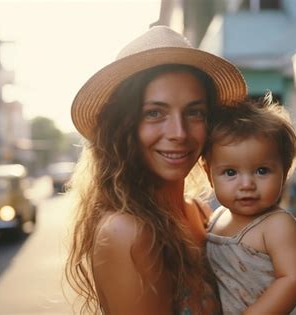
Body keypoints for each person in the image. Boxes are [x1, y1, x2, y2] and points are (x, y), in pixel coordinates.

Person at [65, 25, 247, 314]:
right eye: (155, 113)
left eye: (194, 112)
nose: (179, 132)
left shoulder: (200, 212)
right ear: (124, 126)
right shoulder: (128, 232)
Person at [203, 96, 296, 314]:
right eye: (230, 172)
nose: (247, 185)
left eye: (262, 171)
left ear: (284, 171)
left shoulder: (277, 225)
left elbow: (293, 279)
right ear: (209, 173)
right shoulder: (217, 217)